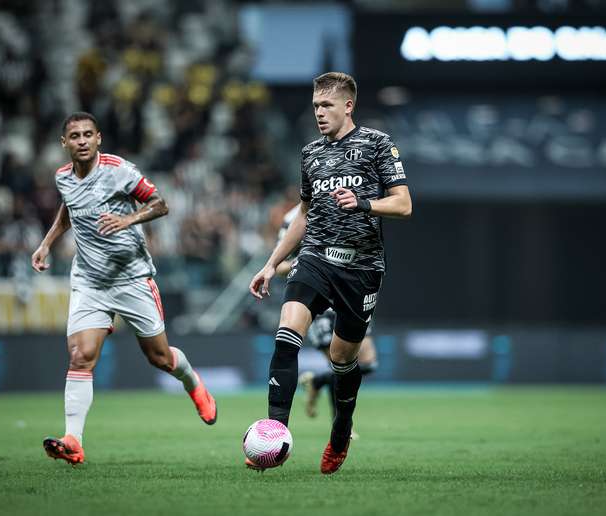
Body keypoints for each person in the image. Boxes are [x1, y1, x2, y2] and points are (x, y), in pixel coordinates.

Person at [32, 112, 217, 466]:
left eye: (88, 134)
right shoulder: (62, 178)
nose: (82, 140)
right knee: (81, 356)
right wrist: (47, 243)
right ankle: (74, 440)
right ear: (64, 143)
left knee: (160, 358)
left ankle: (193, 382)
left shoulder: (120, 170)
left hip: (132, 278)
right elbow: (69, 210)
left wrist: (128, 219)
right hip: (89, 280)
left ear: (99, 138)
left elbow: (160, 204)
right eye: (75, 136)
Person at [249, 72, 411, 474]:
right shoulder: (310, 154)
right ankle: (274, 436)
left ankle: (341, 431)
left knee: (342, 360)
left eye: (326, 106)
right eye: (315, 106)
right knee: (286, 338)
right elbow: (304, 215)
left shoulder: (377, 144)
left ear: (348, 106)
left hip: (361, 267)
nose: (319, 113)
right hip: (315, 259)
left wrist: (364, 203)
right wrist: (271, 264)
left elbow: (404, 204)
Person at [275, 205, 379, 425]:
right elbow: (280, 265)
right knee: (339, 365)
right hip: (319, 294)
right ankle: (340, 427)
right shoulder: (293, 217)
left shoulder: (350, 202)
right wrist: (311, 261)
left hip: (351, 290)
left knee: (368, 362)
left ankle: (317, 381)